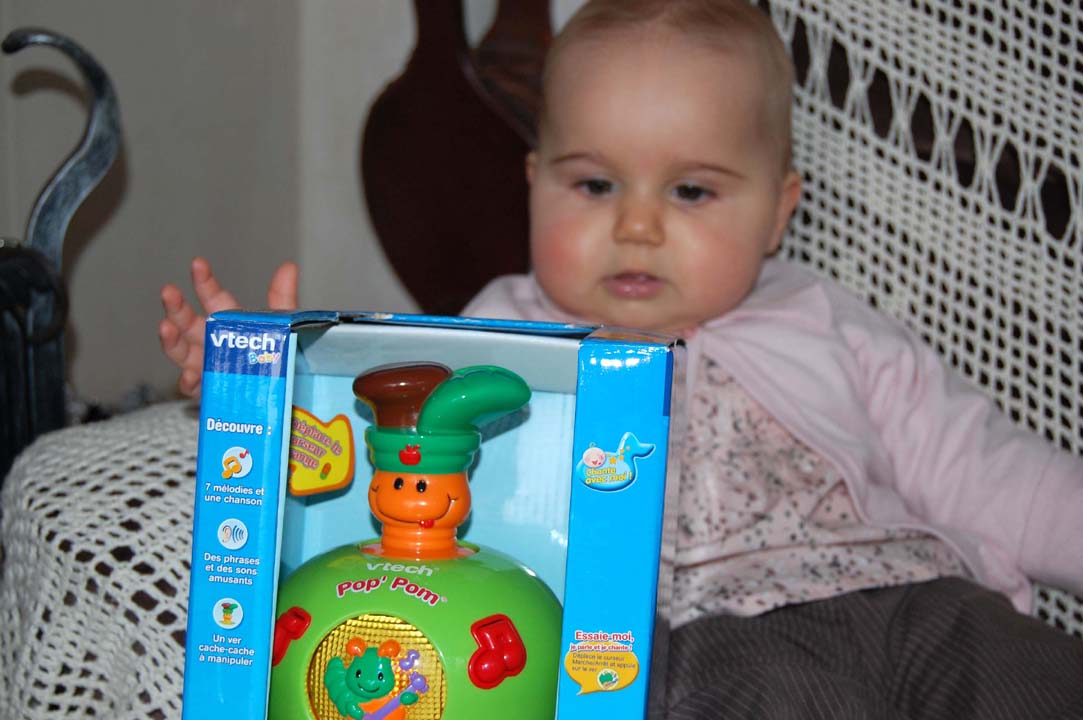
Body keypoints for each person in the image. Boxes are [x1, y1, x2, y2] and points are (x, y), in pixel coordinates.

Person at [161, 1, 1083, 717]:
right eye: (595, 183)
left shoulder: (824, 321)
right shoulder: (501, 331)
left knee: (1023, 668)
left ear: (777, 210)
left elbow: (987, 473)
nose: (636, 225)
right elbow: (387, 444)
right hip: (687, 630)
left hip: (905, 593)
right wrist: (256, 383)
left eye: (691, 191)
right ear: (535, 184)